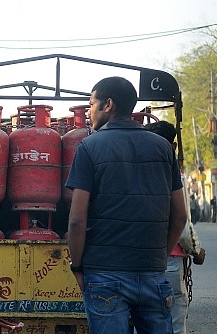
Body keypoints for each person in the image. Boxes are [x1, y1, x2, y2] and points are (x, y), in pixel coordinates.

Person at [65, 77, 188, 334]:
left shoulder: (89, 148)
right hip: (152, 272)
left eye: (92, 104)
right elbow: (180, 216)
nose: (88, 112)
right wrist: (158, 258)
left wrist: (77, 267)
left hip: (104, 274)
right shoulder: (164, 148)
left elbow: (77, 220)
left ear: (107, 105)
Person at [144, 120, 206, 334]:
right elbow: (181, 221)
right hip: (168, 259)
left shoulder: (137, 174)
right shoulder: (172, 176)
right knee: (174, 321)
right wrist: (196, 250)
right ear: (173, 147)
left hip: (138, 258)